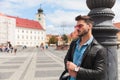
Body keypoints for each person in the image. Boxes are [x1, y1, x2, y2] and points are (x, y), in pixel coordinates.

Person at [64, 15, 107, 80]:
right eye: (76, 26)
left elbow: (99, 73)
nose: (77, 28)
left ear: (89, 26)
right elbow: (67, 59)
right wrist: (68, 66)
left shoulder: (99, 49)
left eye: (80, 26)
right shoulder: (74, 43)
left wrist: (76, 69)